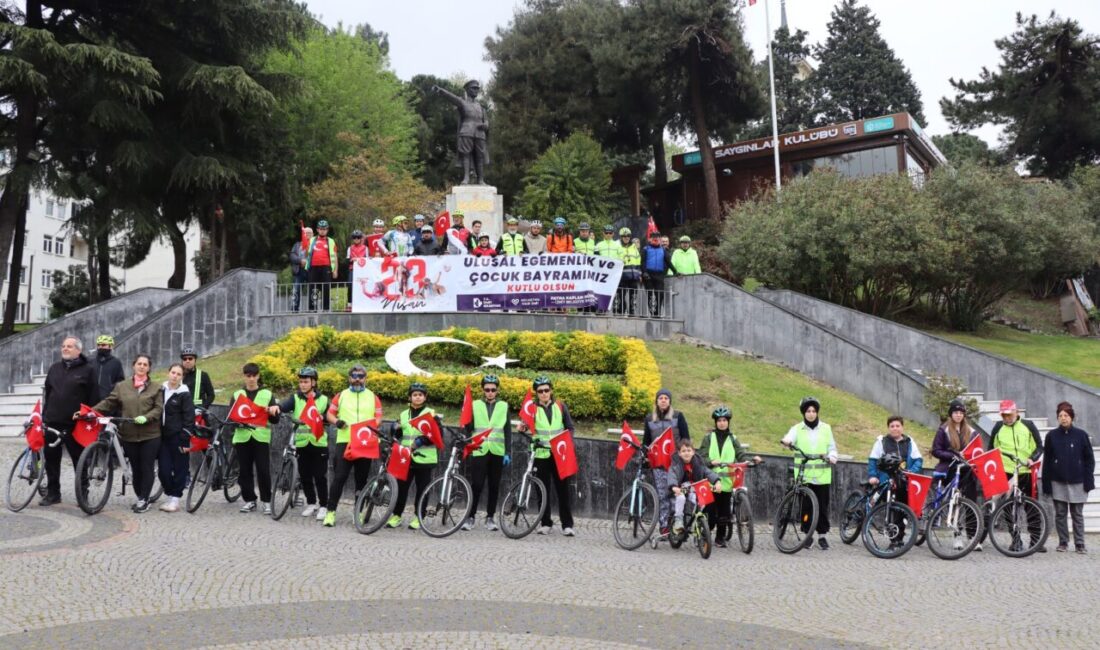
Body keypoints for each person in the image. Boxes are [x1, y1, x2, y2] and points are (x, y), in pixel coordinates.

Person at [87, 354, 164, 513]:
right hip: (129, 433)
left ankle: (144, 499)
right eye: (139, 364)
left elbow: (158, 408)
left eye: (145, 364)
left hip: (150, 434)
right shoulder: (122, 386)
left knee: (146, 466)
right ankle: (141, 496)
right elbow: (109, 402)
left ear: (149, 368)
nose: (142, 366)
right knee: (136, 468)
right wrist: (92, 411)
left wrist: (146, 417)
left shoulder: (156, 387)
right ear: (133, 366)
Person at [40, 337, 97, 506]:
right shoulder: (54, 368)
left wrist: (89, 416)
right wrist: (44, 416)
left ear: (78, 350)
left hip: (75, 424)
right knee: (51, 460)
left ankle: (82, 494)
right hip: (52, 422)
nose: (65, 348)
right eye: (63, 346)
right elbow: (48, 393)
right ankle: (53, 493)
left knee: (79, 461)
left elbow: (94, 397)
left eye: (69, 346)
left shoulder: (88, 370)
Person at [324, 364, 383, 527]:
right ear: (349, 378)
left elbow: (378, 417)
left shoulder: (373, 396)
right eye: (354, 376)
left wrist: (372, 426)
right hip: (345, 440)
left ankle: (358, 512)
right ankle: (330, 512)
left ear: (365, 378)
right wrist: (337, 421)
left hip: (365, 442)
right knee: (340, 477)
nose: (357, 379)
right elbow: (329, 414)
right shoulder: (341, 395)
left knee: (361, 480)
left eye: (361, 376)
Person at [517, 376, 576, 536]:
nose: (544, 393)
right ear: (536, 393)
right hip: (540, 454)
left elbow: (570, 427)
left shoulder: (560, 406)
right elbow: (525, 425)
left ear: (551, 390)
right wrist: (521, 427)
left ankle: (567, 525)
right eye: (540, 391)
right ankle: (545, 523)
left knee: (563, 490)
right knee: (542, 490)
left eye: (546, 390)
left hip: (559, 454)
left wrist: (567, 441)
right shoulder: (532, 409)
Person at [272, 368, 330, 522]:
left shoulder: (323, 399)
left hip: (319, 442)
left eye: (306, 382)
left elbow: (331, 416)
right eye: (301, 382)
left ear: (314, 382)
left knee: (320, 476)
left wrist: (322, 417)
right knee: (305, 475)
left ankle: (324, 505)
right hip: (302, 443)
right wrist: (277, 407)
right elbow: (284, 406)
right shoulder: (296, 398)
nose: (303, 385)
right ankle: (311, 503)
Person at [781, 397, 839, 550]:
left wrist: (832, 456)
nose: (811, 414)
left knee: (822, 506)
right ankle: (808, 535)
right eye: (808, 411)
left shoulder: (826, 428)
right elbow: (789, 438)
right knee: (806, 507)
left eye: (813, 411)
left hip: (822, 476)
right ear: (804, 413)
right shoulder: (797, 428)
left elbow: (832, 447)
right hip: (804, 475)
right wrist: (787, 441)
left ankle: (822, 536)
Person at [699, 406, 760, 547]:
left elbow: (740, 453)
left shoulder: (733, 439)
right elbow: (701, 456)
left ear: (728, 422)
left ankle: (720, 538)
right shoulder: (708, 438)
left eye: (724, 420)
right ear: (715, 422)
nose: (722, 423)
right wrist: (710, 462)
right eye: (719, 420)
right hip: (710, 483)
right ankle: (704, 534)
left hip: (726, 483)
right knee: (711, 515)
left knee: (724, 514)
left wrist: (749, 460)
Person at [388, 382, 443, 530]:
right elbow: (399, 434)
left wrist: (420, 441)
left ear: (425, 397)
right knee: (401, 488)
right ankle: (397, 515)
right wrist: (394, 430)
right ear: (410, 397)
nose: (417, 397)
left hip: (424, 458)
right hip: (405, 457)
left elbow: (438, 436)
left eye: (420, 395)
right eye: (414, 395)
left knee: (422, 489)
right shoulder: (403, 414)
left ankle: (419, 517)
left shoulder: (431, 414)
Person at [1042, 402, 1094, 553]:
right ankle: (1063, 542)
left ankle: (1080, 543)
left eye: (1066, 415)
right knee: (1060, 514)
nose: (1063, 418)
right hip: (1058, 481)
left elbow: (1089, 460)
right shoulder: (1051, 436)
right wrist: (1046, 483)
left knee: (1077, 514)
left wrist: (1088, 480)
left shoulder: (1081, 435)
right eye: (1060, 416)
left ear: (1072, 417)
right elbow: (1048, 460)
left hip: (1078, 481)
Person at [930, 399, 982, 550]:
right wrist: (951, 455)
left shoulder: (971, 431)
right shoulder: (944, 429)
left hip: (968, 470)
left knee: (971, 504)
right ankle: (957, 536)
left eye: (961, 412)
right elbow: (936, 450)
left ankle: (973, 537)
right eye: (955, 412)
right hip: (951, 470)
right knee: (956, 502)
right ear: (951, 414)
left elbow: (978, 450)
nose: (958, 415)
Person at [462, 375, 511, 531]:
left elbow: (507, 431)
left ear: (497, 390)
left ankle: (490, 517)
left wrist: (507, 452)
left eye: (493, 390)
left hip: (497, 451)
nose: (490, 392)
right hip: (479, 449)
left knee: (494, 486)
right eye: (487, 389)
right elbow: (469, 426)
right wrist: (465, 431)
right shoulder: (475, 404)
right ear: (483, 390)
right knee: (476, 485)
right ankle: (470, 517)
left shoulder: (504, 406)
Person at [867, 415, 923, 546]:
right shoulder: (882, 441)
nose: (895, 428)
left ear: (902, 427)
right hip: (885, 480)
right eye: (892, 426)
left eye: (898, 426)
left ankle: (897, 539)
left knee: (900, 510)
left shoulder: (909, 442)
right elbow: (873, 460)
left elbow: (918, 460)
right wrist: (872, 476)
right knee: (885, 506)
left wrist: (911, 472)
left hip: (902, 481)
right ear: (888, 428)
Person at [233, 363, 280, 515]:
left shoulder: (267, 394)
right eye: (248, 376)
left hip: (261, 437)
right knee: (244, 471)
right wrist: (237, 422)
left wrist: (273, 412)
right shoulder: (237, 394)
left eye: (254, 376)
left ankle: (266, 501)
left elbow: (275, 420)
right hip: (242, 437)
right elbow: (231, 417)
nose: (251, 379)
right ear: (244, 376)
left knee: (263, 470)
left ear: (258, 376)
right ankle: (249, 500)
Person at [645, 388, 691, 537]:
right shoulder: (649, 419)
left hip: (676, 463)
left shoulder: (678, 417)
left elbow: (686, 439)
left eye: (666, 398)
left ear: (670, 401)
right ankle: (664, 527)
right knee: (662, 495)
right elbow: (646, 442)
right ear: (656, 401)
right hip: (658, 464)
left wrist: (685, 455)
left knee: (676, 494)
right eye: (660, 398)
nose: (663, 400)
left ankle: (677, 525)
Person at [157, 363, 195, 513]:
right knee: (163, 470)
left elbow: (189, 417)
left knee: (180, 468)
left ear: (182, 377)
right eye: (173, 372)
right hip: (162, 436)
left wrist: (185, 438)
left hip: (179, 437)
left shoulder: (184, 393)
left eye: (179, 374)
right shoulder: (161, 390)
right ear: (168, 373)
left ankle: (175, 498)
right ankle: (170, 493)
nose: (175, 376)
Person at [667, 439, 721, 536]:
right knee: (681, 497)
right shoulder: (676, 464)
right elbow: (672, 475)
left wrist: (717, 481)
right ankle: (678, 520)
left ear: (693, 452)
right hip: (681, 488)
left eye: (688, 450)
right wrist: (674, 486)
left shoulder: (698, 463)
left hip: (695, 487)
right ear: (679, 453)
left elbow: (708, 472)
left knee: (702, 499)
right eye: (683, 451)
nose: (686, 453)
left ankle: (698, 520)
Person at [304, 220, 338, 311]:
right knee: (312, 288)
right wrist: (306, 247)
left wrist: (335, 270)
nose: (322, 230)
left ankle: (326, 309)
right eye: (321, 229)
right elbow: (306, 254)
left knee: (326, 288)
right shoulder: (311, 240)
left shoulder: (331, 241)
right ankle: (312, 309)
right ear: (317, 230)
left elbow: (335, 256)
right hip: (313, 267)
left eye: (324, 229)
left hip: (326, 267)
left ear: (327, 230)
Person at [642, 231, 673, 317]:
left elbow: (669, 262)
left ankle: (657, 312)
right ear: (650, 239)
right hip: (648, 274)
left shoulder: (663, 249)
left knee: (660, 294)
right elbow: (643, 262)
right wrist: (644, 272)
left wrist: (676, 272)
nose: (655, 238)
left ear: (659, 239)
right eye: (653, 237)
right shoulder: (645, 249)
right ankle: (653, 313)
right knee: (650, 295)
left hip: (659, 274)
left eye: (657, 237)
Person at [89, 334, 125, 403]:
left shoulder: (116, 362)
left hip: (108, 400)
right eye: (98, 345)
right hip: (91, 400)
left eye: (103, 345)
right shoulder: (90, 361)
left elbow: (120, 381)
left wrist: (111, 390)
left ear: (110, 346)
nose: (100, 347)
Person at [617, 228, 641, 315]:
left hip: (634, 275)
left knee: (633, 295)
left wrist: (639, 274)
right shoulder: (617, 247)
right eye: (624, 236)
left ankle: (632, 312)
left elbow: (638, 260)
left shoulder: (634, 247)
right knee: (620, 295)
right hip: (622, 276)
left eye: (628, 236)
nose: (626, 238)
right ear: (621, 237)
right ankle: (621, 312)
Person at [289, 226, 312, 311]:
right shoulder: (297, 245)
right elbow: (292, 256)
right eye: (306, 233)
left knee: (312, 290)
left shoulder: (315, 245)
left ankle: (312, 309)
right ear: (303, 234)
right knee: (296, 289)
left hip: (311, 271)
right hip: (299, 271)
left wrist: (308, 262)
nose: (308, 235)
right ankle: (294, 309)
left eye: (310, 233)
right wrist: (300, 260)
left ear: (313, 235)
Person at [346, 230, 368, 294]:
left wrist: (358, 259)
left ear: (361, 238)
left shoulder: (365, 248)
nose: (356, 239)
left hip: (362, 269)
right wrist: (351, 260)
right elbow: (347, 261)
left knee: (362, 286)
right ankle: (349, 302)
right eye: (354, 237)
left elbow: (368, 260)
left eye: (358, 237)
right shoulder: (350, 248)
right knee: (350, 285)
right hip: (352, 269)